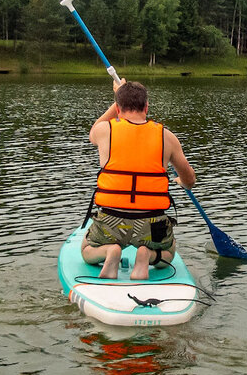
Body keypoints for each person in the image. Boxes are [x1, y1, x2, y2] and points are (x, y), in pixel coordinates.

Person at [82, 79, 196, 280]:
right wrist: (183, 182)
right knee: (169, 253)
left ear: (118, 108)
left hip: (111, 220)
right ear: (146, 107)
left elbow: (94, 128)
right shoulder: (167, 137)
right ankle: (148, 255)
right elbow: (190, 179)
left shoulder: (104, 131)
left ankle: (110, 251)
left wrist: (117, 95)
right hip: (151, 224)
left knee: (86, 249)